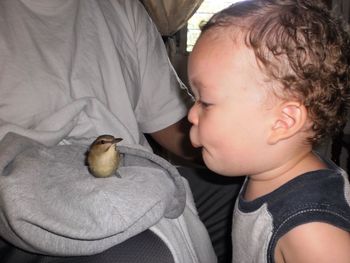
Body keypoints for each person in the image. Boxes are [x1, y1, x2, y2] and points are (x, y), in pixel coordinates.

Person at [0, 0, 221, 262]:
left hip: (130, 168)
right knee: (146, 256)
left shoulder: (124, 7)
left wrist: (244, 145)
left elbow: (170, 122)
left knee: (255, 192)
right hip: (23, 194)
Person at [187, 0, 350, 262]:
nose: (191, 114)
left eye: (205, 102)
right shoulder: (269, 170)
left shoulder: (311, 233)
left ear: (282, 122)